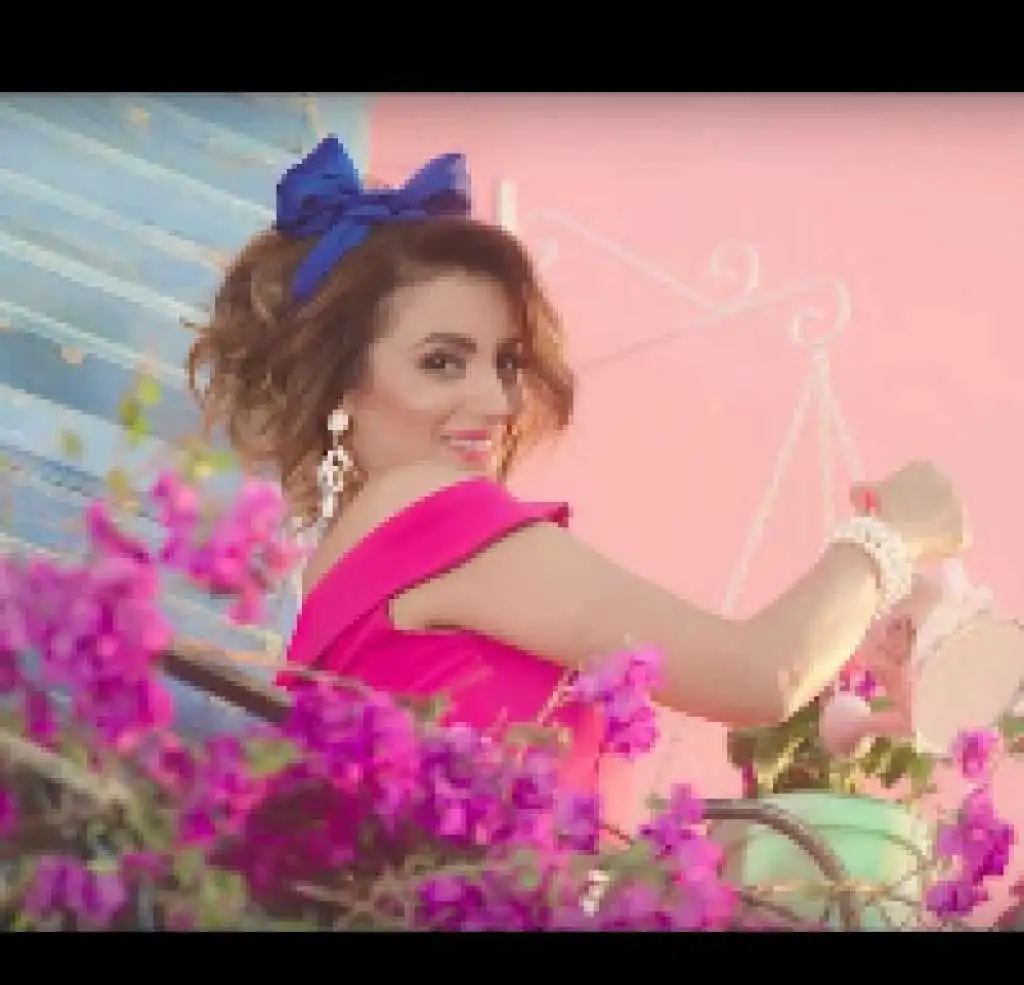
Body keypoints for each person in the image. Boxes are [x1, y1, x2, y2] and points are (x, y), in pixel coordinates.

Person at [186, 136, 968, 794]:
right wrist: (891, 535)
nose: (497, 401)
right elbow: (764, 673)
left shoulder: (336, 573)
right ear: (343, 385)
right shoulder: (432, 511)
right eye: (441, 362)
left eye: (505, 363)